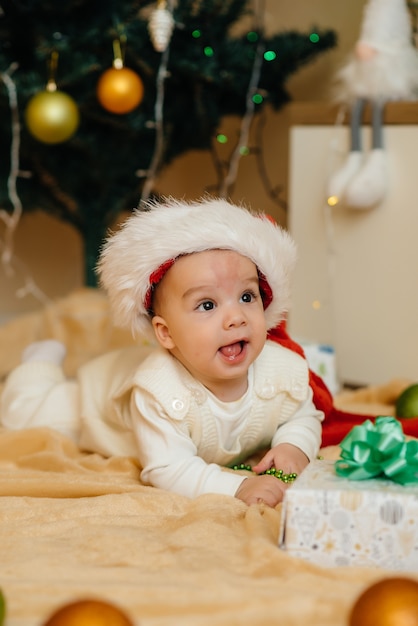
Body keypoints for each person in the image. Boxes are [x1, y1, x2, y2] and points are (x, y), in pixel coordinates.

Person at [0, 197, 324, 507]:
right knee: (22, 416)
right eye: (207, 305)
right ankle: (39, 361)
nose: (236, 317)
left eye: (246, 297)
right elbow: (169, 469)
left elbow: (303, 415)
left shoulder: (281, 370)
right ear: (166, 333)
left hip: (126, 370)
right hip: (94, 405)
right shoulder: (158, 392)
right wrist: (238, 486)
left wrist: (295, 445)